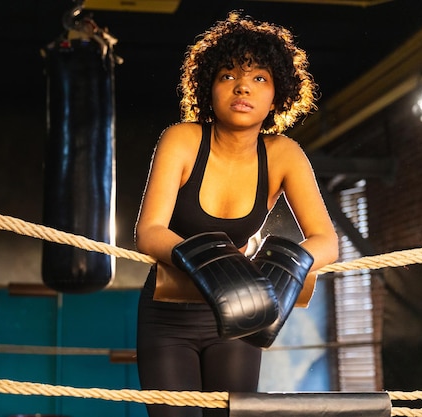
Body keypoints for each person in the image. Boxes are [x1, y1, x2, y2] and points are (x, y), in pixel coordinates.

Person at [134, 11, 339, 417]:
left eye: (259, 77)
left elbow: (326, 240)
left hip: (243, 312)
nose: (242, 85)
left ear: (277, 93)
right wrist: (214, 264)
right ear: (208, 87)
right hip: (168, 315)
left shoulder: (283, 154)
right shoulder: (182, 139)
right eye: (227, 75)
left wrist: (284, 270)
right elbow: (149, 231)